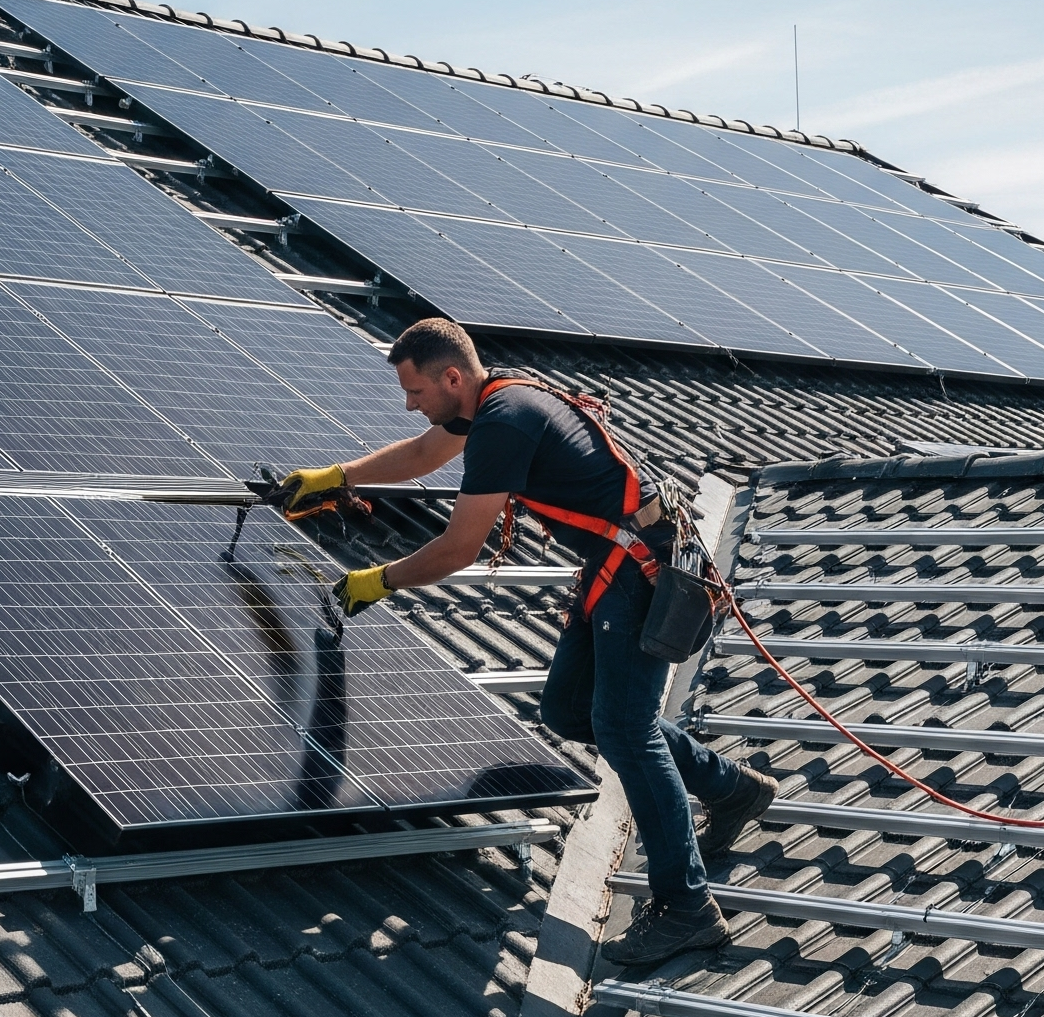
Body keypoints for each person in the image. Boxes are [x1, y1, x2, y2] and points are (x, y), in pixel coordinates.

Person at [269, 317, 775, 969]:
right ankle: (732, 788)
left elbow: (460, 546)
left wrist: (379, 581)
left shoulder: (504, 420)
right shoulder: (492, 403)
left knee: (624, 730)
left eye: (415, 391)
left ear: (452, 377)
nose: (409, 404)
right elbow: (423, 455)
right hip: (617, 566)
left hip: (640, 573)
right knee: (569, 711)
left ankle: (686, 907)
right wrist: (337, 477)